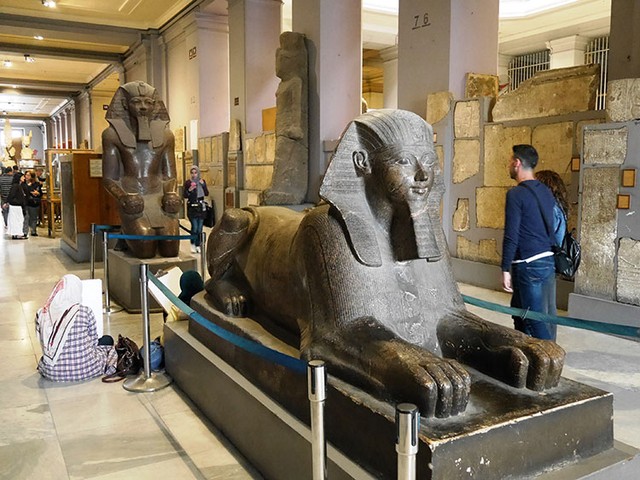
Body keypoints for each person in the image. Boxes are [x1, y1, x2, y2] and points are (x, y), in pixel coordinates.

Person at [205, 111, 564, 418]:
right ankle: (220, 280)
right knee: (236, 220)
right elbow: (329, 338)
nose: (423, 175)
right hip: (257, 239)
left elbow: (446, 316)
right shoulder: (325, 228)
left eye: (428, 161)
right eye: (405, 161)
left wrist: (503, 342)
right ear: (362, 162)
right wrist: (400, 361)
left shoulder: (427, 226)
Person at [102, 81, 181, 259]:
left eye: (148, 102)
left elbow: (169, 176)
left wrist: (170, 193)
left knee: (170, 247)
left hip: (158, 197)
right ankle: (126, 235)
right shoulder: (112, 135)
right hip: (132, 198)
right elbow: (109, 179)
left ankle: (127, 236)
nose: (143, 107)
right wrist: (123, 197)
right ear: (125, 104)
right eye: (136, 102)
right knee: (146, 247)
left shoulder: (167, 135)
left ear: (155, 105)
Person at [501, 145, 557, 340]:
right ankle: (526, 352)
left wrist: (505, 268)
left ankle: (549, 355)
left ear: (517, 163)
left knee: (533, 320)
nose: (509, 165)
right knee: (522, 315)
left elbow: (511, 234)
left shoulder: (516, 194)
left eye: (510, 161)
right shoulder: (546, 191)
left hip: (527, 264)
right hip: (547, 260)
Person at [36, 274, 118, 382]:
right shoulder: (85, 311)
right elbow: (94, 341)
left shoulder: (42, 314)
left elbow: (43, 345)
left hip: (52, 373)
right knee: (107, 340)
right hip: (87, 369)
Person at [183, 165, 209, 253]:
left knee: (200, 228)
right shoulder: (188, 183)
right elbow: (185, 195)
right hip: (192, 207)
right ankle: (193, 244)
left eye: (195, 173)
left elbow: (206, 193)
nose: (194, 175)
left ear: (198, 173)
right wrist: (190, 190)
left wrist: (203, 185)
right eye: (192, 173)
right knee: (194, 227)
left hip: (201, 207)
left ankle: (198, 245)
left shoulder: (202, 181)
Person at [7, 172, 27, 239]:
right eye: (22, 177)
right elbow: (11, 196)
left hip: (17, 206)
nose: (24, 178)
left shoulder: (18, 185)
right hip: (16, 206)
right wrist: (19, 201)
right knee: (17, 220)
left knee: (17, 219)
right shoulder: (16, 186)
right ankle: (17, 234)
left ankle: (16, 233)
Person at [25, 170, 42, 236]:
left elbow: (40, 193)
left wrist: (38, 193)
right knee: (27, 217)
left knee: (34, 217)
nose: (26, 176)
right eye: (26, 175)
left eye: (28, 175)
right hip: (26, 202)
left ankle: (33, 231)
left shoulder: (37, 184)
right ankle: (25, 231)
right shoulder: (24, 183)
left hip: (34, 202)